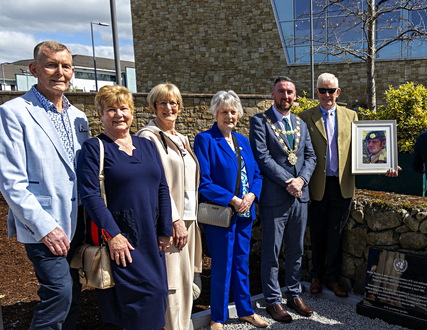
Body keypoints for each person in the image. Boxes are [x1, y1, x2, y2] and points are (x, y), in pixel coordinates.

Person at [0, 41, 90, 329]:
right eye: (51, 65)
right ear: (34, 69)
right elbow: (10, 181)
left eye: (65, 66)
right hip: (43, 224)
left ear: (72, 71)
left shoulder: (78, 117)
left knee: (73, 294)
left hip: (78, 221)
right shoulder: (14, 112)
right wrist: (45, 227)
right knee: (59, 293)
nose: (59, 72)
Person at [77, 85, 173, 330]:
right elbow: (90, 195)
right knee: (133, 305)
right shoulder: (94, 148)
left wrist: (165, 229)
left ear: (132, 112)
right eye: (111, 109)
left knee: (159, 293)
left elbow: (162, 186)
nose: (119, 114)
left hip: (152, 239)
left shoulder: (148, 145)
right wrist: (114, 236)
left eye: (124, 108)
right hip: (123, 241)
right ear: (100, 114)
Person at [298, 73, 398, 298]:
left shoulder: (351, 115)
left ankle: (332, 279)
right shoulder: (304, 117)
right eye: (322, 90)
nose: (327, 95)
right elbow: (301, 155)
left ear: (338, 92)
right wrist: (303, 187)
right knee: (317, 234)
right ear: (317, 92)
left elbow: (364, 151)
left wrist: (385, 164)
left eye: (331, 90)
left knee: (336, 234)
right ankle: (316, 277)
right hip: (316, 186)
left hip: (342, 185)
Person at [194, 90, 267, 329]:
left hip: (245, 213)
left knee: (241, 263)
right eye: (224, 111)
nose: (229, 116)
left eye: (233, 111)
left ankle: (246, 310)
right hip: (222, 214)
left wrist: (252, 194)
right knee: (221, 265)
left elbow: (256, 174)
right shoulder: (205, 139)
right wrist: (233, 200)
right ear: (215, 113)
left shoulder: (242, 140)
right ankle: (218, 317)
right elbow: (204, 182)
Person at [135, 83, 203, 330]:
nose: (169, 107)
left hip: (188, 220)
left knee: (186, 283)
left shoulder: (182, 139)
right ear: (154, 106)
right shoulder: (148, 137)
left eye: (173, 102)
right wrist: (172, 220)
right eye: (162, 103)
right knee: (172, 286)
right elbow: (155, 184)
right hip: (169, 222)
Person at [249, 77, 317, 323]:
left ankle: (294, 293)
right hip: (275, 197)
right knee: (272, 251)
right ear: (272, 94)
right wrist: (289, 181)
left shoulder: (300, 122)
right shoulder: (259, 122)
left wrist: (302, 181)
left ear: (295, 95)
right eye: (281, 92)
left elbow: (311, 156)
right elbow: (262, 157)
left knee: (296, 249)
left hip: (300, 197)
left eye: (289, 92)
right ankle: (273, 300)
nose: (285, 96)